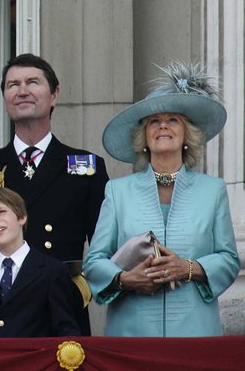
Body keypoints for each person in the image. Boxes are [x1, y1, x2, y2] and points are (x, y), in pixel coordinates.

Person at [0, 54, 108, 336]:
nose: (22, 90)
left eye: (32, 82)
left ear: (54, 95)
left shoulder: (86, 167)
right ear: (4, 97)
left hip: (60, 309)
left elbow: (104, 247)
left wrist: (76, 290)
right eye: (13, 85)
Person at [83, 62, 239, 337]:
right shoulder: (118, 192)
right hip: (132, 333)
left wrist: (188, 268)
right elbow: (94, 261)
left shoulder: (212, 190)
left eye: (172, 120)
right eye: (154, 121)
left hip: (195, 335)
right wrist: (125, 279)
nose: (162, 126)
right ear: (143, 137)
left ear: (186, 135)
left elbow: (228, 259)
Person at [0, 187, 80, 338]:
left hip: (34, 360)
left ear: (22, 217)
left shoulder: (52, 270)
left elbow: (65, 328)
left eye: (1, 212)